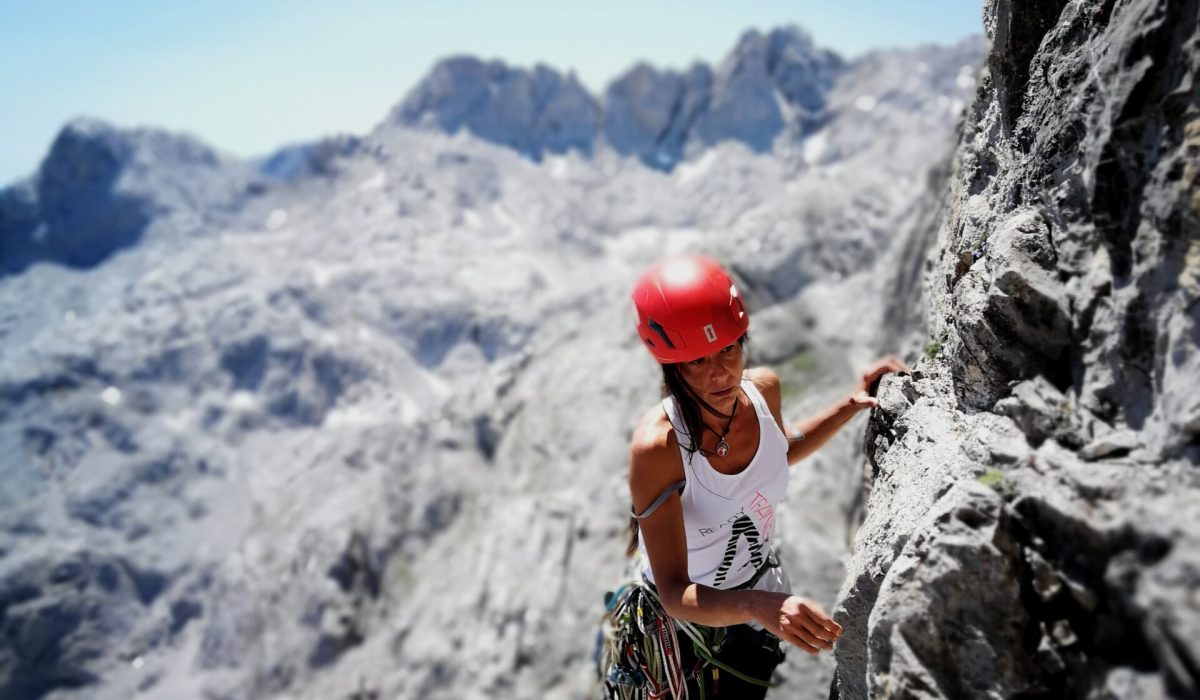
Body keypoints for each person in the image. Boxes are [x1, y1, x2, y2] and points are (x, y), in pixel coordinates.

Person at [625, 254, 908, 698]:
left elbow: (779, 451)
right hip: (688, 633)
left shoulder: (763, 390)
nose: (721, 372)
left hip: (756, 596)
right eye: (698, 361)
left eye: (728, 350)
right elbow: (675, 593)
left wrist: (851, 404)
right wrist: (758, 606)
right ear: (673, 367)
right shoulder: (659, 447)